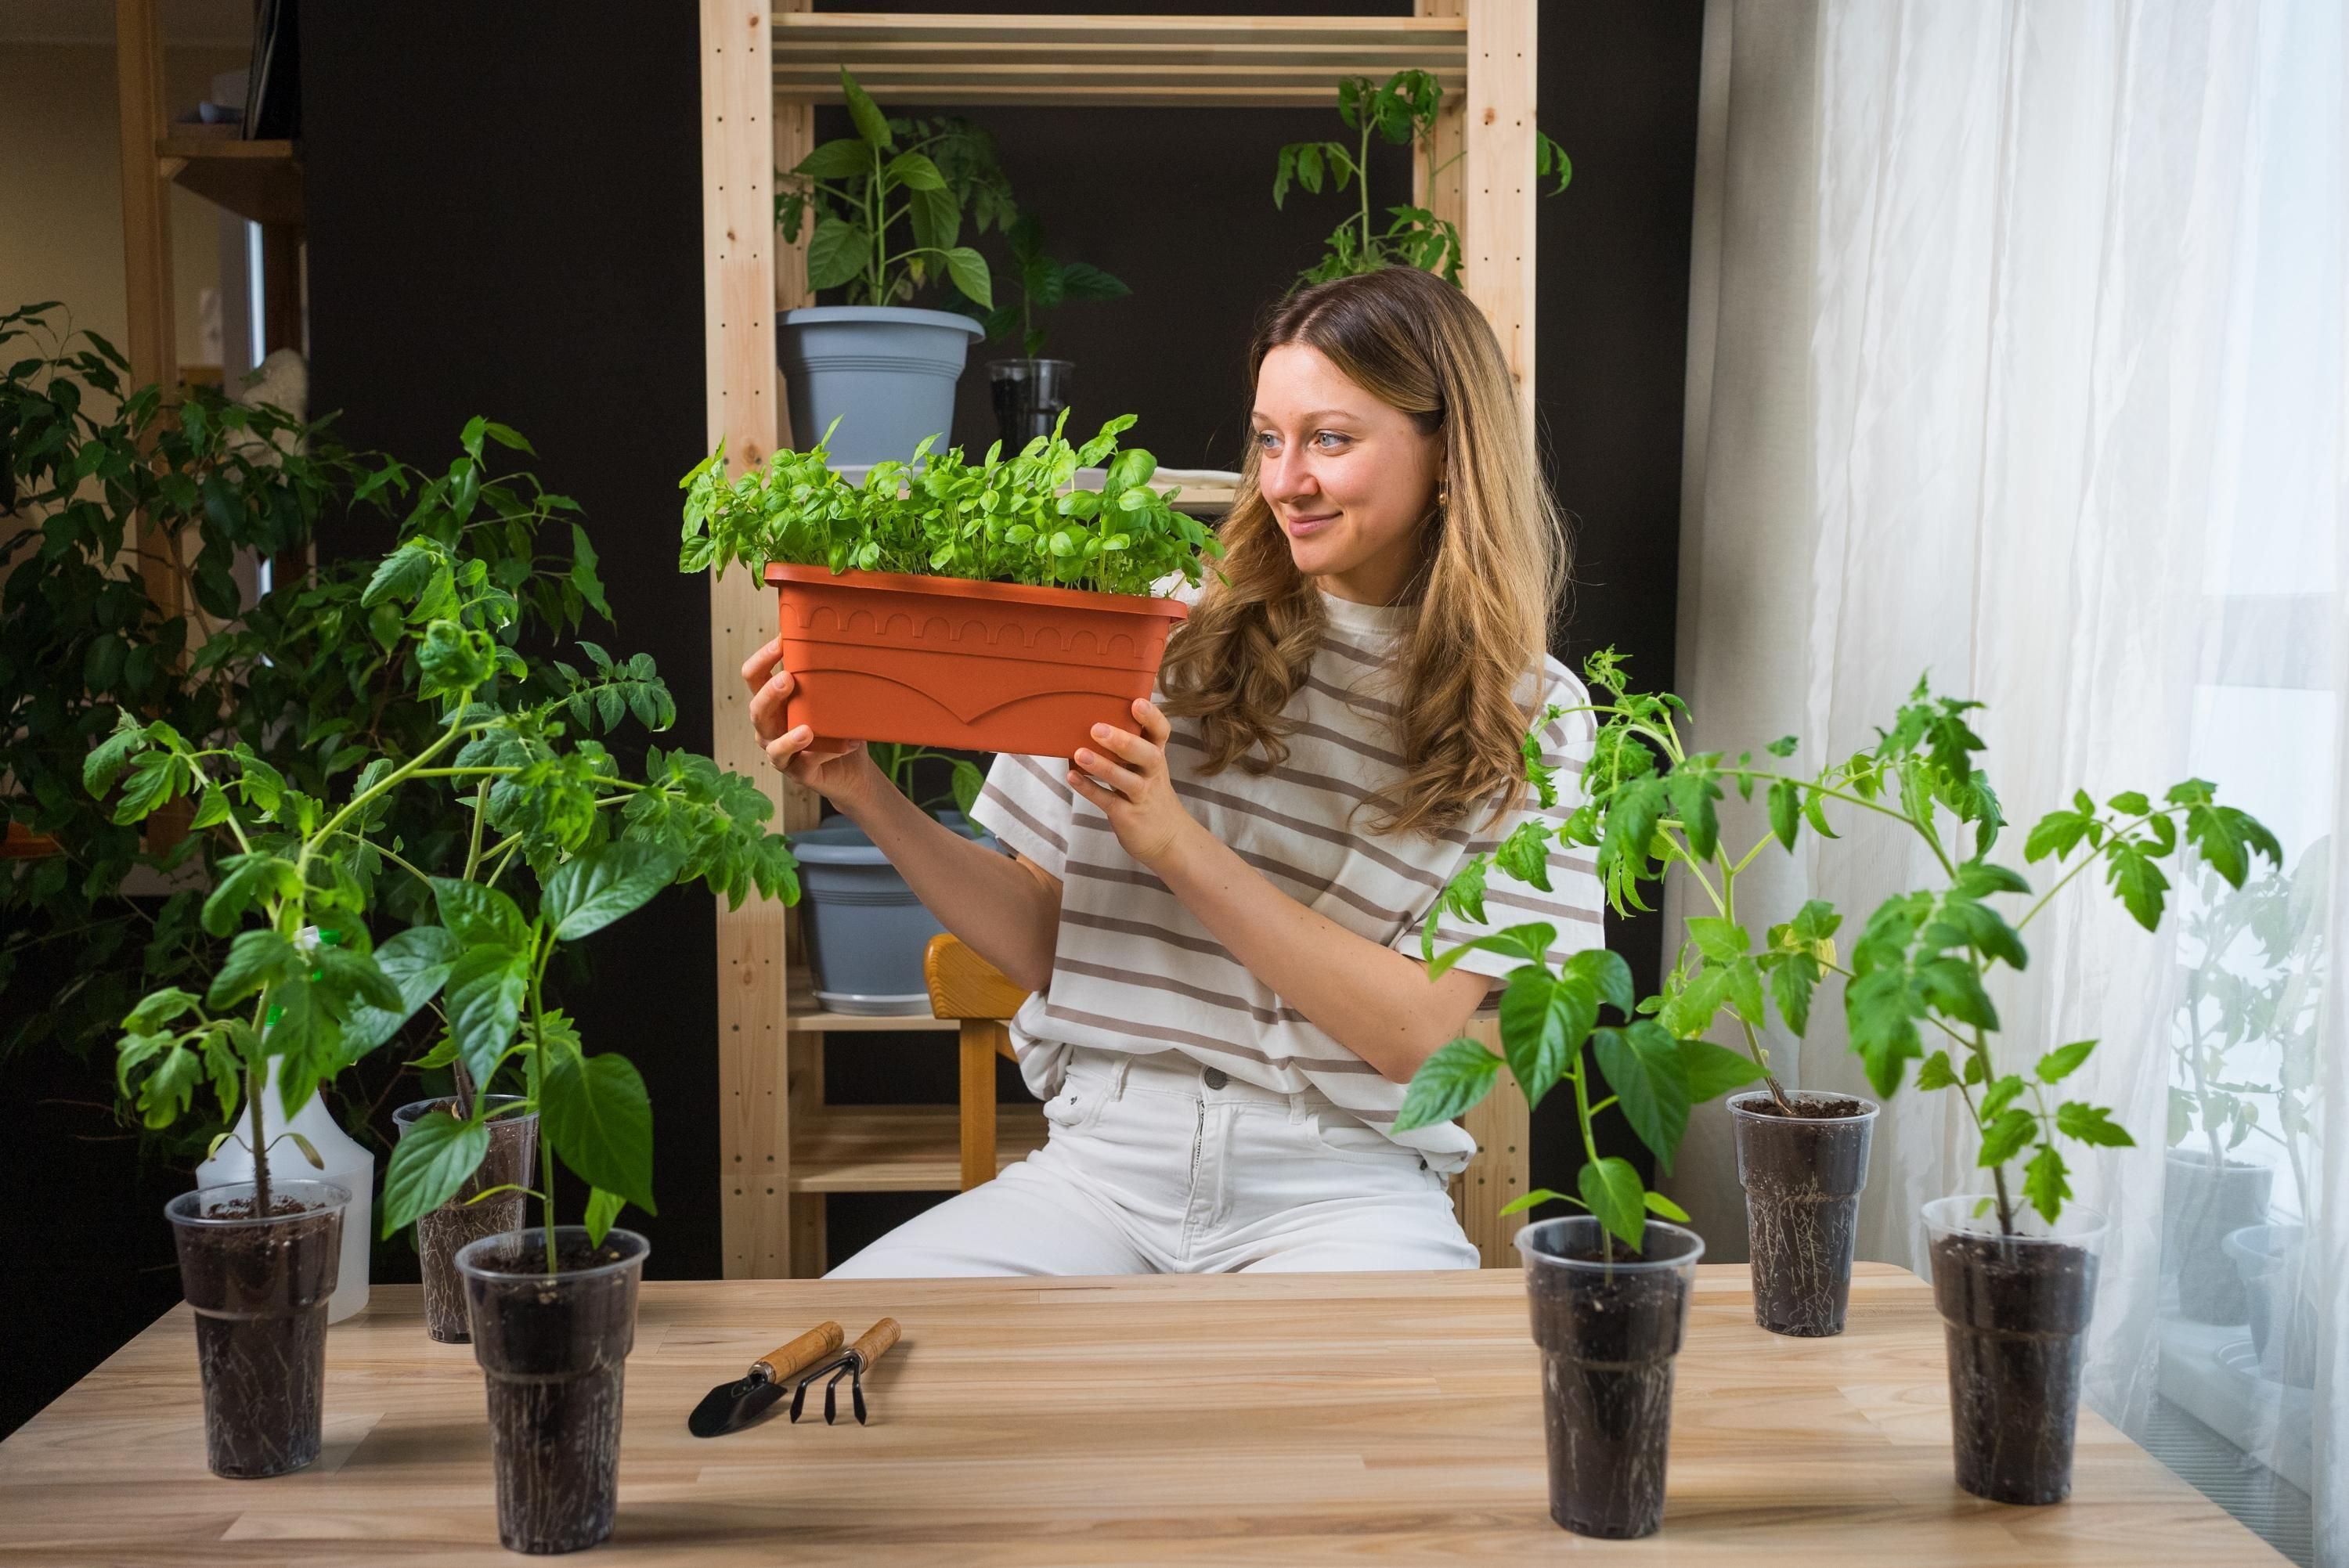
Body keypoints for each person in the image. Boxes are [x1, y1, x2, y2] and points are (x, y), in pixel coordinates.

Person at [740, 265, 1602, 1276]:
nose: (1285, 481)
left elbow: (1418, 1039)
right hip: (1099, 1168)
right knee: (844, 1375)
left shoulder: (1534, 713)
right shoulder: (1151, 624)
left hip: (1343, 1186)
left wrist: (1177, 846)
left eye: (1331, 438)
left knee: (1398, 1424)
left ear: (1448, 448)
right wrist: (861, 792)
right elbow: (1043, 937)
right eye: (1269, 438)